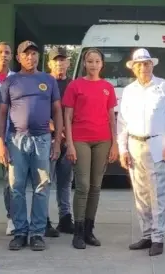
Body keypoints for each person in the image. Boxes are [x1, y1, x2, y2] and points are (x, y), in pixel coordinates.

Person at [0, 40, 63, 251]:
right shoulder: (11, 82)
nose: (30, 57)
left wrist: (58, 142)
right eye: (26, 54)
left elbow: (58, 111)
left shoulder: (48, 80)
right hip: (16, 140)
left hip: (42, 139)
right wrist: (0, 144)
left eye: (34, 54)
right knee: (16, 187)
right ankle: (19, 232)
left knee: (42, 187)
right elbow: (1, 114)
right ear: (18, 57)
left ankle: (36, 233)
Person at [117, 48, 165, 256]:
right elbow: (122, 123)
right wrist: (122, 149)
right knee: (141, 194)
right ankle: (146, 234)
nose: (143, 68)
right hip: (135, 145)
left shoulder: (164, 87)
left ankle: (158, 238)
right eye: (139, 65)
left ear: (152, 65)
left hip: (156, 145)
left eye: (146, 64)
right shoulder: (129, 91)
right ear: (133, 68)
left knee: (157, 195)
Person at [63, 48, 118, 249]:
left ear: (102, 64)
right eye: (89, 61)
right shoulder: (75, 86)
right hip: (80, 140)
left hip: (103, 140)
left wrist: (115, 143)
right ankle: (77, 232)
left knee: (96, 187)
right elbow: (67, 117)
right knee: (83, 185)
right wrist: (69, 143)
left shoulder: (107, 87)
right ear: (84, 63)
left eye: (97, 61)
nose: (93, 65)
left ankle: (88, 231)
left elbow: (111, 118)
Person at [45, 47, 74, 237]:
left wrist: (67, 132)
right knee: (45, 182)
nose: (59, 64)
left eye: (63, 60)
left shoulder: (73, 84)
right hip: (47, 138)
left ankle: (65, 219)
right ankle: (44, 220)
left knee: (65, 182)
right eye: (56, 60)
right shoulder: (43, 82)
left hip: (68, 140)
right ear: (49, 64)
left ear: (68, 63)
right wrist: (55, 128)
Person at [0, 41, 15, 236]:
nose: (4, 55)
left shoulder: (16, 79)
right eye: (0, 52)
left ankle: (12, 219)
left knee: (10, 181)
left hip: (9, 137)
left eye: (7, 52)